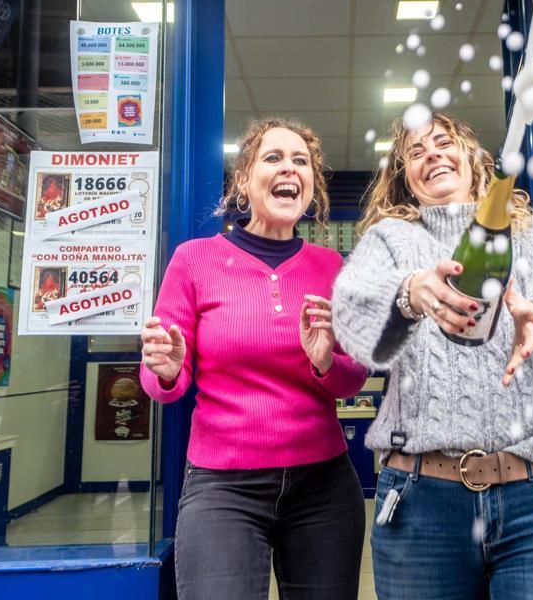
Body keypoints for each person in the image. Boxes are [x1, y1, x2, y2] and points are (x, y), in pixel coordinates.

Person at [332, 112, 533, 600]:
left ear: (472, 159)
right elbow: (355, 329)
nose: (431, 154)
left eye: (443, 143)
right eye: (415, 153)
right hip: (421, 503)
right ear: (405, 179)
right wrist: (409, 293)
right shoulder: (388, 242)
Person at [139, 118, 369, 600]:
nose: (290, 168)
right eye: (274, 158)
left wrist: (327, 361)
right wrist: (167, 368)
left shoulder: (332, 267)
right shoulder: (192, 259)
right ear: (244, 180)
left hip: (323, 487)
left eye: (301, 161)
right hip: (223, 488)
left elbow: (353, 376)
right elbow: (163, 377)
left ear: (311, 186)